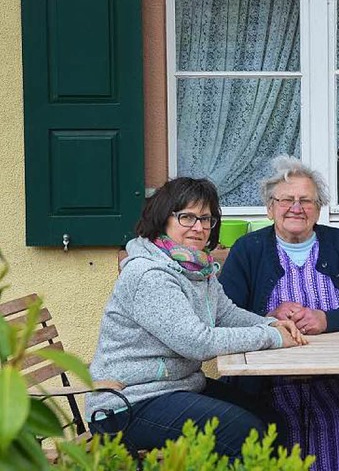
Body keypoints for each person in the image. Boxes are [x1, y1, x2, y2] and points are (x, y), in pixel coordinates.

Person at [85, 177, 306, 458]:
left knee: (272, 422)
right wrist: (272, 337)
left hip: (177, 388)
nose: (199, 227)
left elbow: (226, 313)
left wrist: (270, 323)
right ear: (163, 218)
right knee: (245, 432)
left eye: (206, 218)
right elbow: (196, 342)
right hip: (127, 403)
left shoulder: (197, 267)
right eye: (187, 217)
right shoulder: (149, 274)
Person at [219, 155, 339, 470]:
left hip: (335, 379)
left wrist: (325, 319)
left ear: (318, 208)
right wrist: (269, 317)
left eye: (306, 200)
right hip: (268, 383)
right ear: (270, 207)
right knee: (274, 448)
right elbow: (223, 315)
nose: (296, 207)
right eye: (286, 199)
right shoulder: (248, 249)